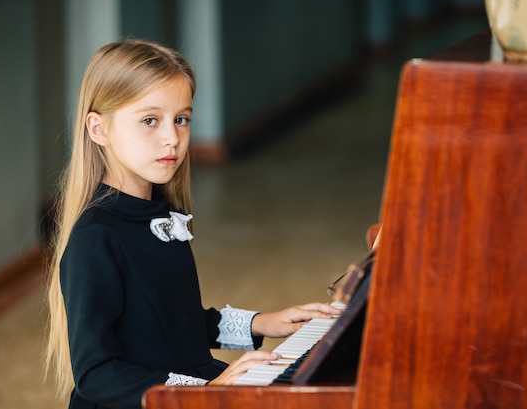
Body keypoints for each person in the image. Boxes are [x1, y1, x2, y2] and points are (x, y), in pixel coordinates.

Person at [45, 39, 341, 409]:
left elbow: (173, 323)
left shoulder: (161, 214)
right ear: (98, 129)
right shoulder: (96, 238)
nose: (172, 138)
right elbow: (96, 375)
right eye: (149, 120)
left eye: (181, 119)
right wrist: (201, 391)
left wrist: (264, 323)